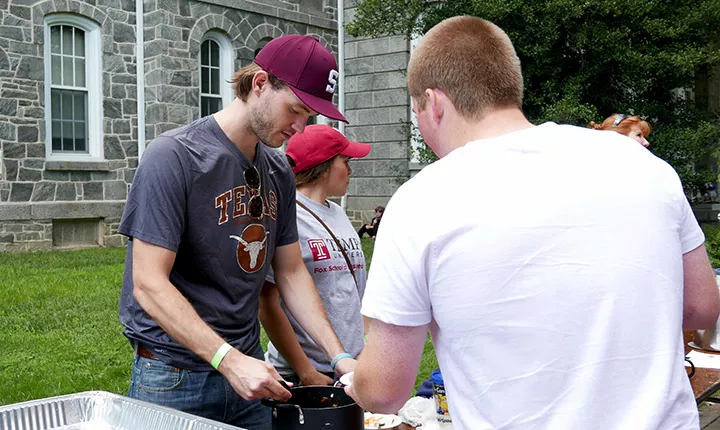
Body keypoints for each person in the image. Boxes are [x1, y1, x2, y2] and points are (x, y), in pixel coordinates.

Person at [346, 16, 720, 430]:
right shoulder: (643, 164)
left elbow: (384, 389)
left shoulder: (422, 200)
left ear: (433, 103)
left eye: (417, 110)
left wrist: (354, 383)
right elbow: (701, 308)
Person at [118, 35, 357, 430]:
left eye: (309, 116)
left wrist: (339, 358)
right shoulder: (174, 156)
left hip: (250, 373)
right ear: (260, 83)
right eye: (295, 110)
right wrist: (227, 360)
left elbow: (291, 272)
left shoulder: (278, 171)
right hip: (175, 376)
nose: (300, 128)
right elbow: (147, 283)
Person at [259, 124, 370, 387]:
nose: (350, 170)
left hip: (352, 367)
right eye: (346, 161)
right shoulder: (288, 216)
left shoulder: (338, 213)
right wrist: (306, 372)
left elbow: (351, 290)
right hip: (304, 374)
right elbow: (267, 302)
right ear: (323, 165)